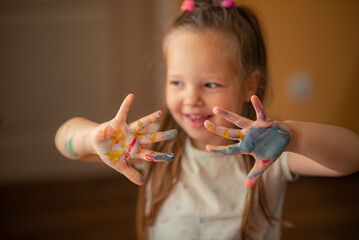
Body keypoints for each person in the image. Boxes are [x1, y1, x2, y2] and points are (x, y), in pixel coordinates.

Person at [55, 0, 359, 239]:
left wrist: (295, 136)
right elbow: (65, 143)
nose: (190, 99)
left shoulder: (271, 152)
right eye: (177, 82)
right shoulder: (147, 147)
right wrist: (92, 137)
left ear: (250, 83)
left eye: (210, 84)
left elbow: (352, 156)